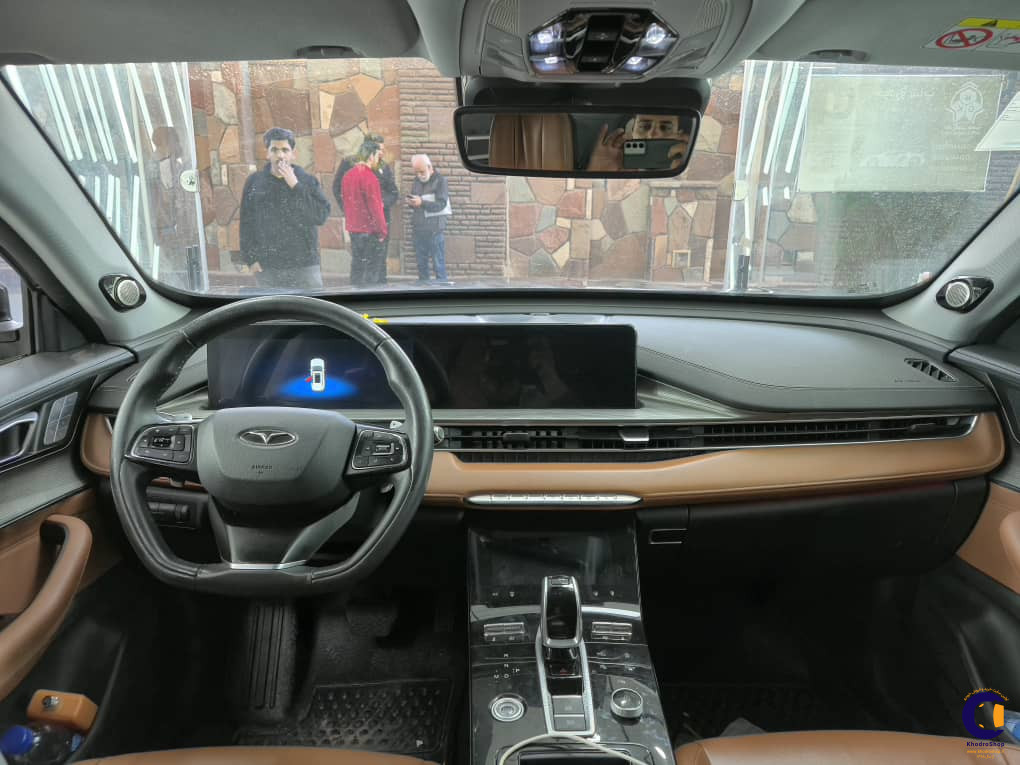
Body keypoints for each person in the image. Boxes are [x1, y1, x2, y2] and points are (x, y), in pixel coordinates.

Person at [238, 127, 330, 290]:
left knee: (310, 307)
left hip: (304, 266)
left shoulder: (307, 181)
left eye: (285, 150)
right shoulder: (255, 182)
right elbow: (246, 222)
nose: (280, 155)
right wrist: (251, 259)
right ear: (267, 153)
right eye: (274, 150)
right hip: (268, 268)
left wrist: (295, 185)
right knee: (273, 308)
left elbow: (320, 215)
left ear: (293, 153)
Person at [341, 139, 388, 286]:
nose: (378, 160)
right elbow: (376, 209)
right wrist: (382, 232)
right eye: (377, 156)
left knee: (357, 268)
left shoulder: (347, 176)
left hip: (353, 230)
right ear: (371, 156)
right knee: (371, 276)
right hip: (370, 232)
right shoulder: (370, 178)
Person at [332, 133, 399, 233]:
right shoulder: (349, 164)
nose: (381, 153)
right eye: (378, 150)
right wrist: (348, 210)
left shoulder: (384, 167)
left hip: (380, 220)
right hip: (358, 223)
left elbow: (393, 192)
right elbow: (337, 188)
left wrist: (381, 204)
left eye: (382, 149)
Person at [586, 113, 692, 172]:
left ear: (679, 135)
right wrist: (599, 170)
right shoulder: (620, 164)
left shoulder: (681, 165)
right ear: (632, 132)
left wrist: (686, 165)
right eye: (644, 127)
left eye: (665, 128)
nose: (651, 134)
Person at [408, 154, 451, 284]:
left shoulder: (440, 180)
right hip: (419, 230)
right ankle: (423, 292)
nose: (419, 175)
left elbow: (441, 204)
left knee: (439, 266)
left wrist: (422, 202)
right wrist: (412, 203)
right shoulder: (416, 181)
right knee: (422, 268)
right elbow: (416, 200)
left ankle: (443, 293)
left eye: (422, 171)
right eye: (416, 172)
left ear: (430, 167)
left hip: (434, 231)